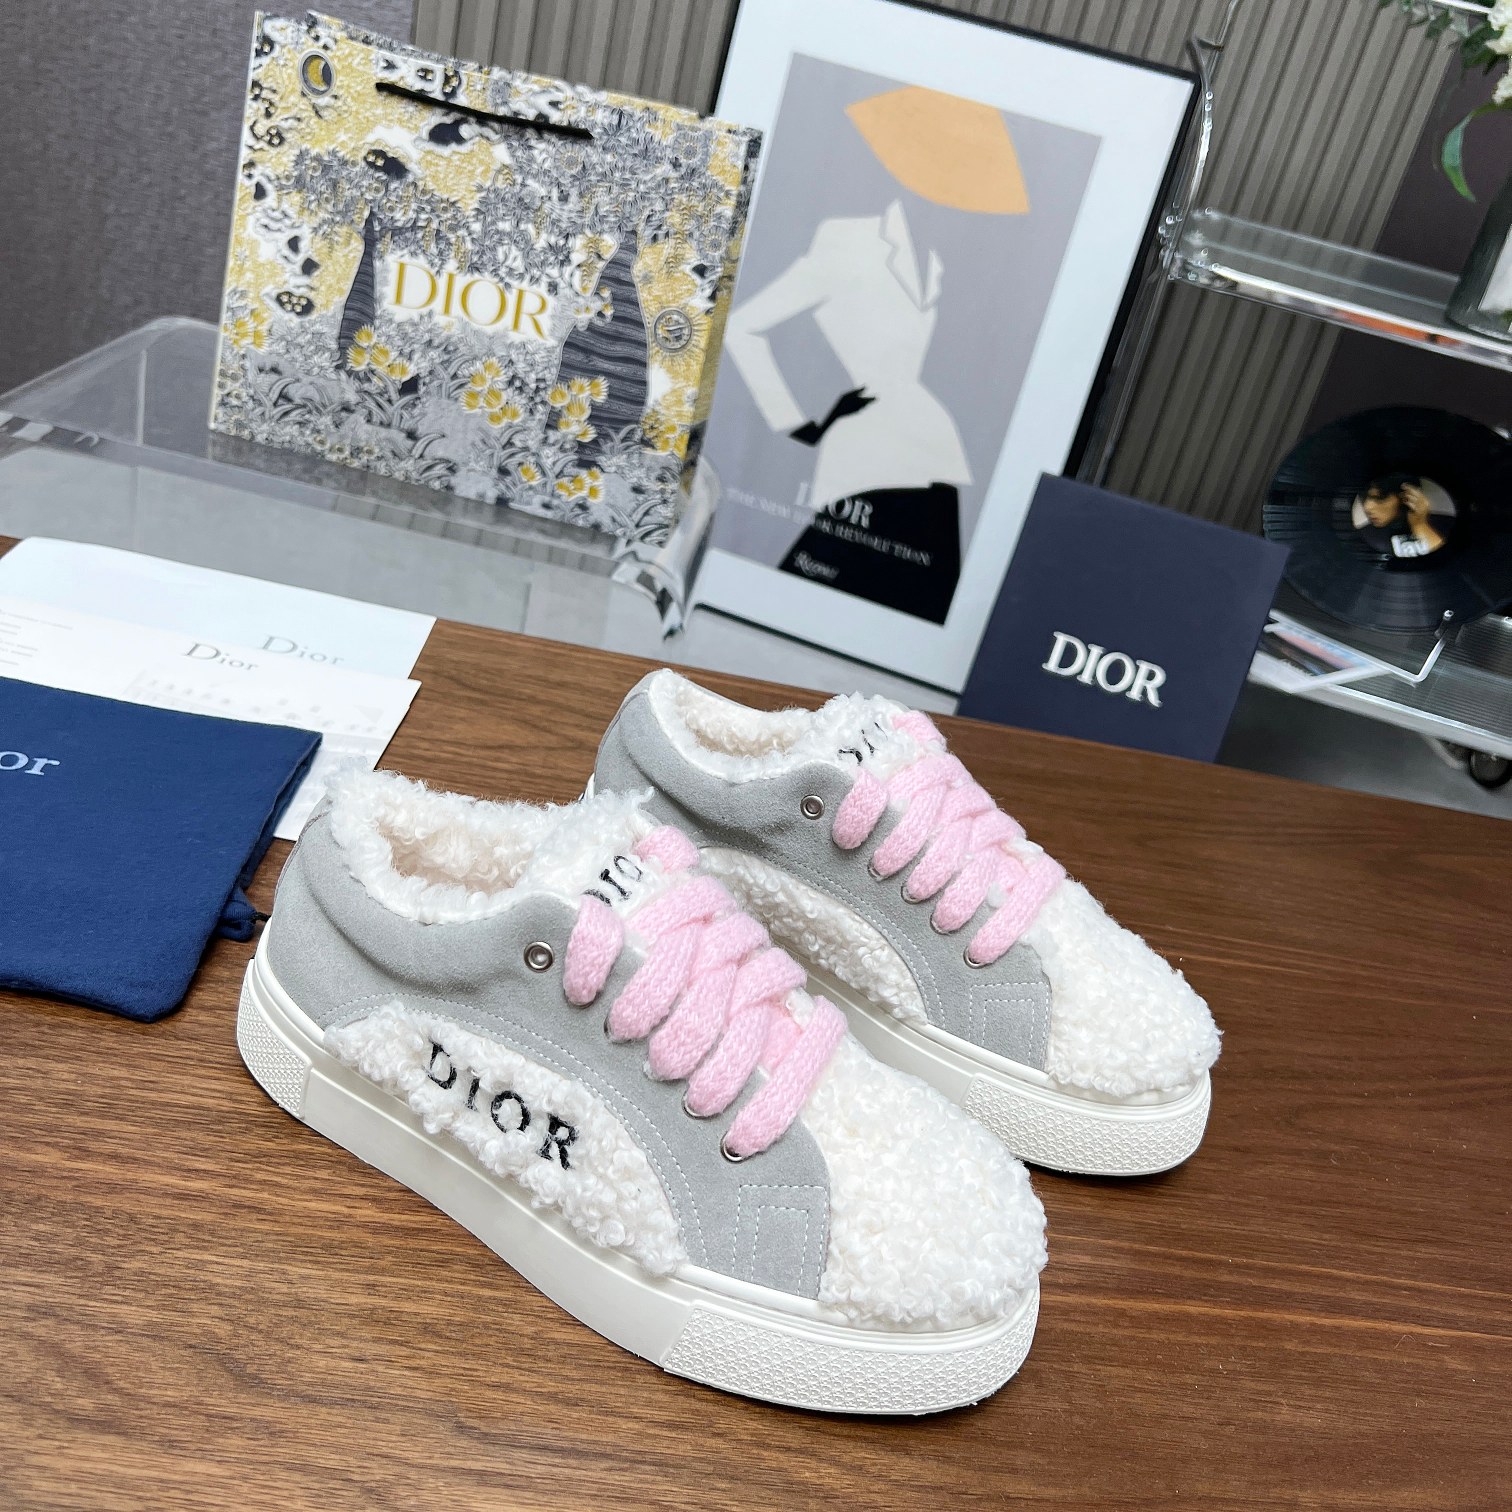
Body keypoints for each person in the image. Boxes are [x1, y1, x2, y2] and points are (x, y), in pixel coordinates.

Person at [1354, 474, 1453, 559]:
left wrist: (1420, 525)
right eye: (1364, 498)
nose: (1367, 507)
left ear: (1408, 496)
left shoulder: (1445, 525)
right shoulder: (1368, 535)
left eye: (1380, 497)